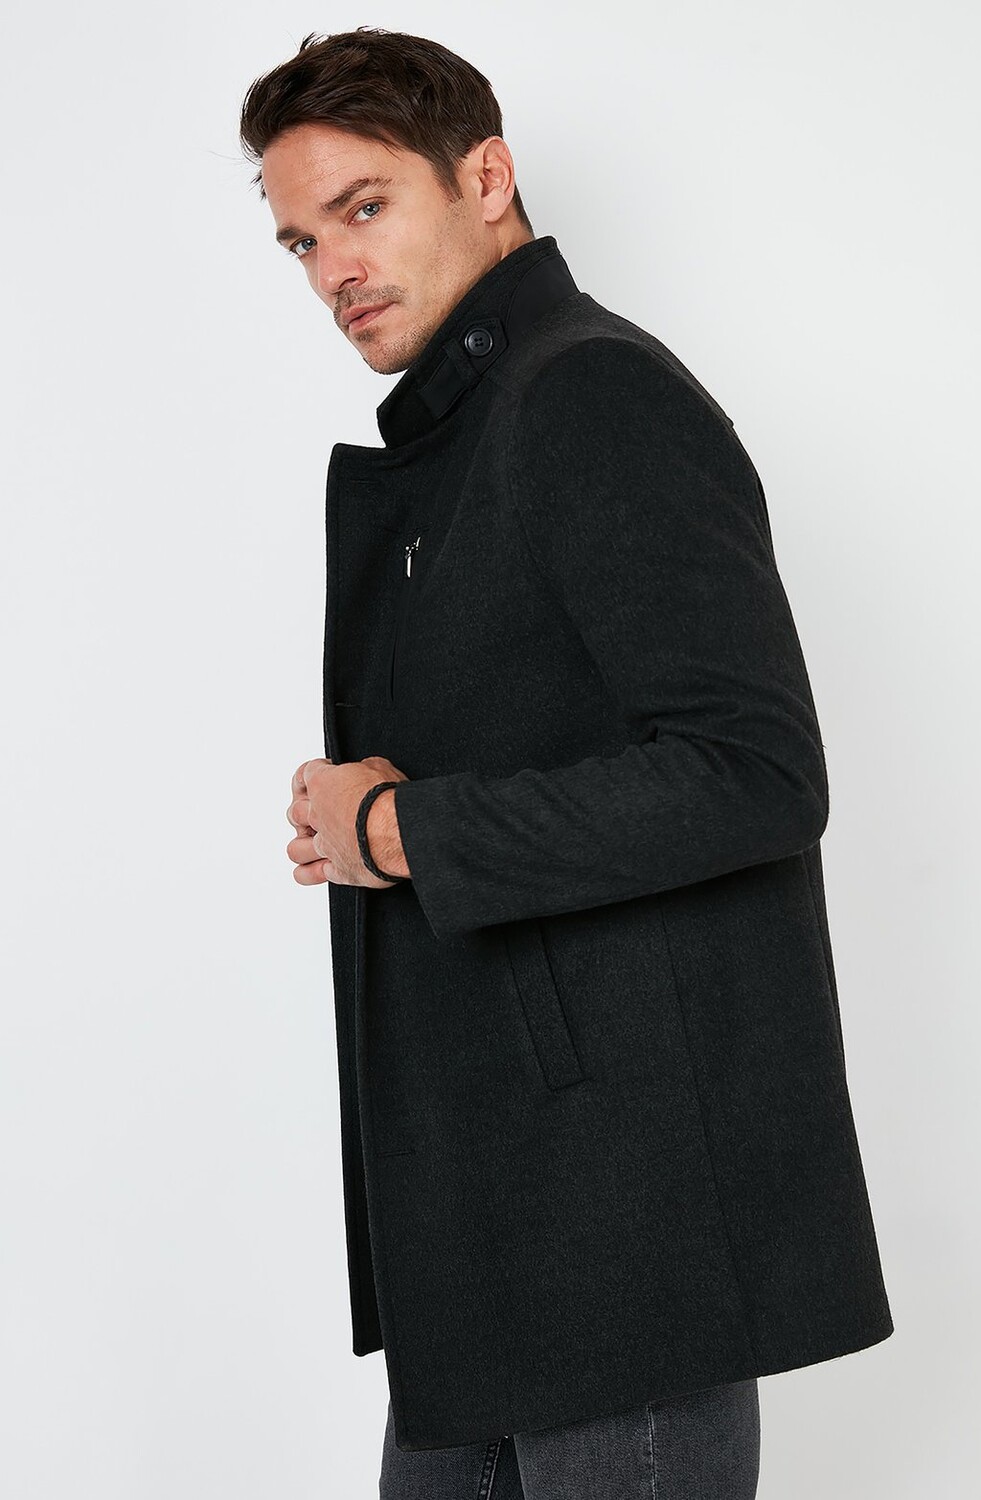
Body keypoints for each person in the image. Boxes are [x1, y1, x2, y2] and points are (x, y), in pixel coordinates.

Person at [239, 26, 893, 1499]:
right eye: (300, 241)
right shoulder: (466, 437)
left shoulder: (590, 393)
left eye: (361, 207)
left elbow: (755, 770)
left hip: (621, 1231)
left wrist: (398, 830)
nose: (334, 269)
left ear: (485, 178)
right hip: (493, 1218)